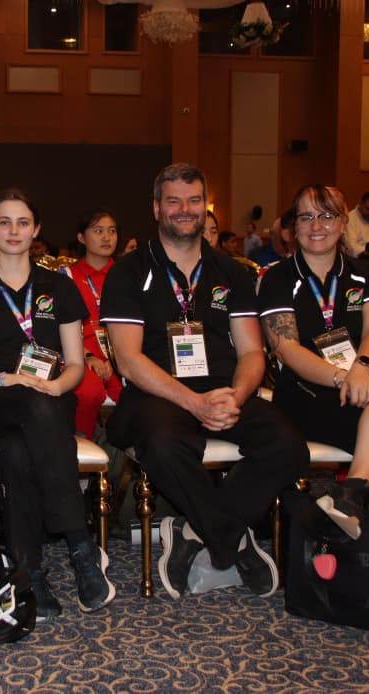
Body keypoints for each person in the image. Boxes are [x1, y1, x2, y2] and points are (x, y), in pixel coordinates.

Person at [101, 163, 308, 599]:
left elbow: (251, 353)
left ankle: (196, 530)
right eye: (174, 201)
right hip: (155, 393)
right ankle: (231, 538)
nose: (185, 209)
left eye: (194, 200)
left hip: (224, 389)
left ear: (205, 207)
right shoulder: (129, 271)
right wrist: (194, 404)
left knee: (289, 445)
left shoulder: (231, 272)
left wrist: (236, 396)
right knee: (163, 445)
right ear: (156, 208)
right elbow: (129, 360)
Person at [0, 189, 115, 620]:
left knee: (19, 454)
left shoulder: (59, 286)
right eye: (4, 222)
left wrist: (58, 387)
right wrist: (6, 378)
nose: (13, 231)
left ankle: (29, 574)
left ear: (36, 229)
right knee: (34, 408)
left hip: (46, 401)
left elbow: (75, 365)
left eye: (23, 222)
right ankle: (80, 544)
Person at [258, 185, 369, 540]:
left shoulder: (368, 272)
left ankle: (351, 492)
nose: (316, 225)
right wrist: (342, 378)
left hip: (367, 382)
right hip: (308, 391)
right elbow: (287, 349)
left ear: (342, 223)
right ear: (293, 227)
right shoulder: (277, 278)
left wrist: (362, 367)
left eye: (327, 215)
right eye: (306, 216)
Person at [63, 209, 123, 438]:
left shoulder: (127, 275)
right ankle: (81, 450)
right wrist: (87, 356)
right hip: (80, 355)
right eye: (98, 231)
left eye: (112, 231)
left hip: (121, 355)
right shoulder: (66, 277)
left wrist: (117, 360)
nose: (107, 237)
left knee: (139, 395)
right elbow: (58, 328)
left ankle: (121, 454)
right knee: (88, 392)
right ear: (81, 237)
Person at [344, 191, 369, 258]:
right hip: (358, 259)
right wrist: (368, 249)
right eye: (368, 209)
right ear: (360, 204)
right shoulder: (350, 219)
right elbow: (352, 248)